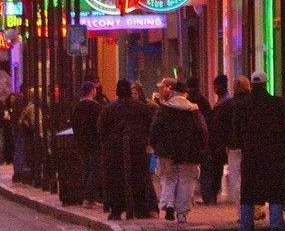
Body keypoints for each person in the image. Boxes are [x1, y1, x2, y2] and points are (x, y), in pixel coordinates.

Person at [235, 78, 285, 231]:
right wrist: (281, 145)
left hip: (251, 156)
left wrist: (243, 145)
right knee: (275, 191)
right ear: (265, 84)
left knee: (248, 192)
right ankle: (275, 224)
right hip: (273, 156)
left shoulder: (243, 105)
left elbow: (235, 131)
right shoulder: (278, 104)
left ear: (253, 85)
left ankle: (246, 224)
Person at [152, 79, 209, 221]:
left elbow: (155, 129)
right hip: (189, 151)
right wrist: (202, 147)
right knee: (187, 180)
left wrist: (154, 144)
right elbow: (202, 131)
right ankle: (182, 213)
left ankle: (169, 203)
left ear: (173, 92)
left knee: (168, 178)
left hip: (167, 150)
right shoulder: (194, 110)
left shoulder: (164, 109)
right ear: (185, 94)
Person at [103, 80, 154, 219]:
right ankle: (140, 209)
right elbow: (150, 126)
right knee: (139, 179)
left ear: (117, 91)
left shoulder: (109, 109)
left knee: (116, 180)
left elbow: (101, 129)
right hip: (137, 149)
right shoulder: (141, 108)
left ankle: (116, 210)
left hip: (115, 151)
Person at [70, 82, 107, 207]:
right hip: (95, 143)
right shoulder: (96, 107)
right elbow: (101, 125)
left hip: (82, 143)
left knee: (86, 169)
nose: (96, 91)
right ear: (91, 91)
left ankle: (87, 197)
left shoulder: (77, 107)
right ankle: (89, 197)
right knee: (96, 169)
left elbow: (74, 125)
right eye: (94, 89)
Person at [209, 73, 242, 207]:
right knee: (218, 169)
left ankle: (214, 195)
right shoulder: (224, 101)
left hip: (223, 142)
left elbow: (222, 125)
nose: (215, 89)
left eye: (217, 86)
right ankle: (214, 194)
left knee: (219, 169)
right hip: (222, 141)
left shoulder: (226, 103)